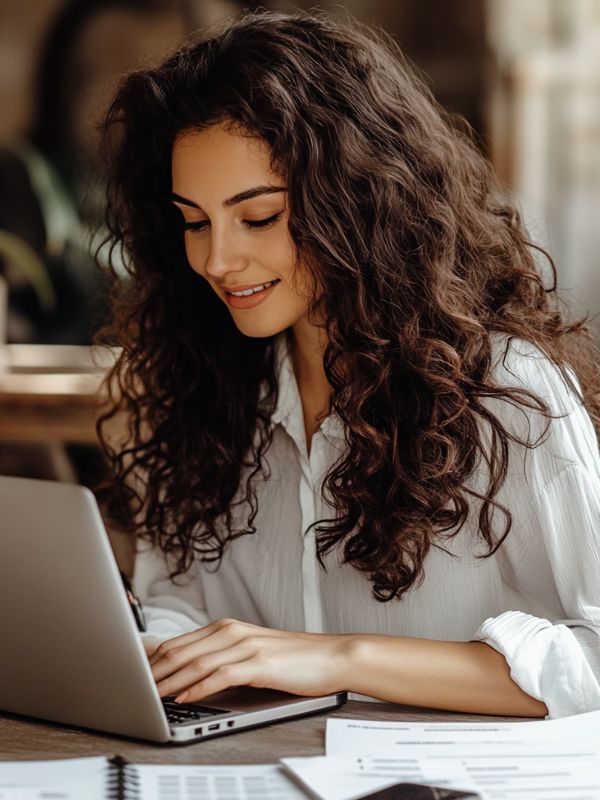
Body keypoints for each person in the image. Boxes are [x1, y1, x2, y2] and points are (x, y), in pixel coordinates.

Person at [98, 9, 600, 719]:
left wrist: (337, 658)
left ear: (354, 200)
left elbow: (593, 659)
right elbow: (179, 603)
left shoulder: (508, 392)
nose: (216, 259)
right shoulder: (201, 391)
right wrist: (140, 644)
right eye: (194, 221)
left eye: (259, 217)